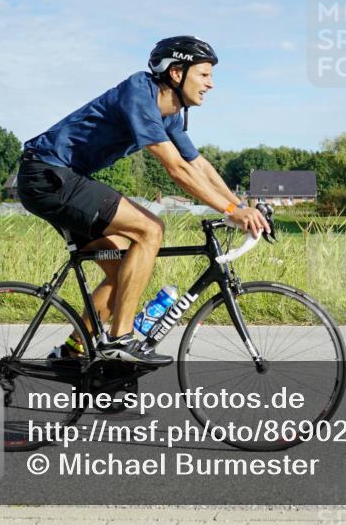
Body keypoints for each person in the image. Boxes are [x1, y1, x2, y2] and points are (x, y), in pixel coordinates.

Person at [17, 36, 270, 364]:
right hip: (48, 174)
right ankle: (121, 340)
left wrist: (241, 204)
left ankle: (72, 352)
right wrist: (232, 212)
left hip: (63, 179)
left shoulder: (169, 114)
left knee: (122, 270)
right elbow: (176, 170)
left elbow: (197, 163)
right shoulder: (139, 93)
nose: (211, 84)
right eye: (204, 75)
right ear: (177, 73)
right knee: (150, 229)